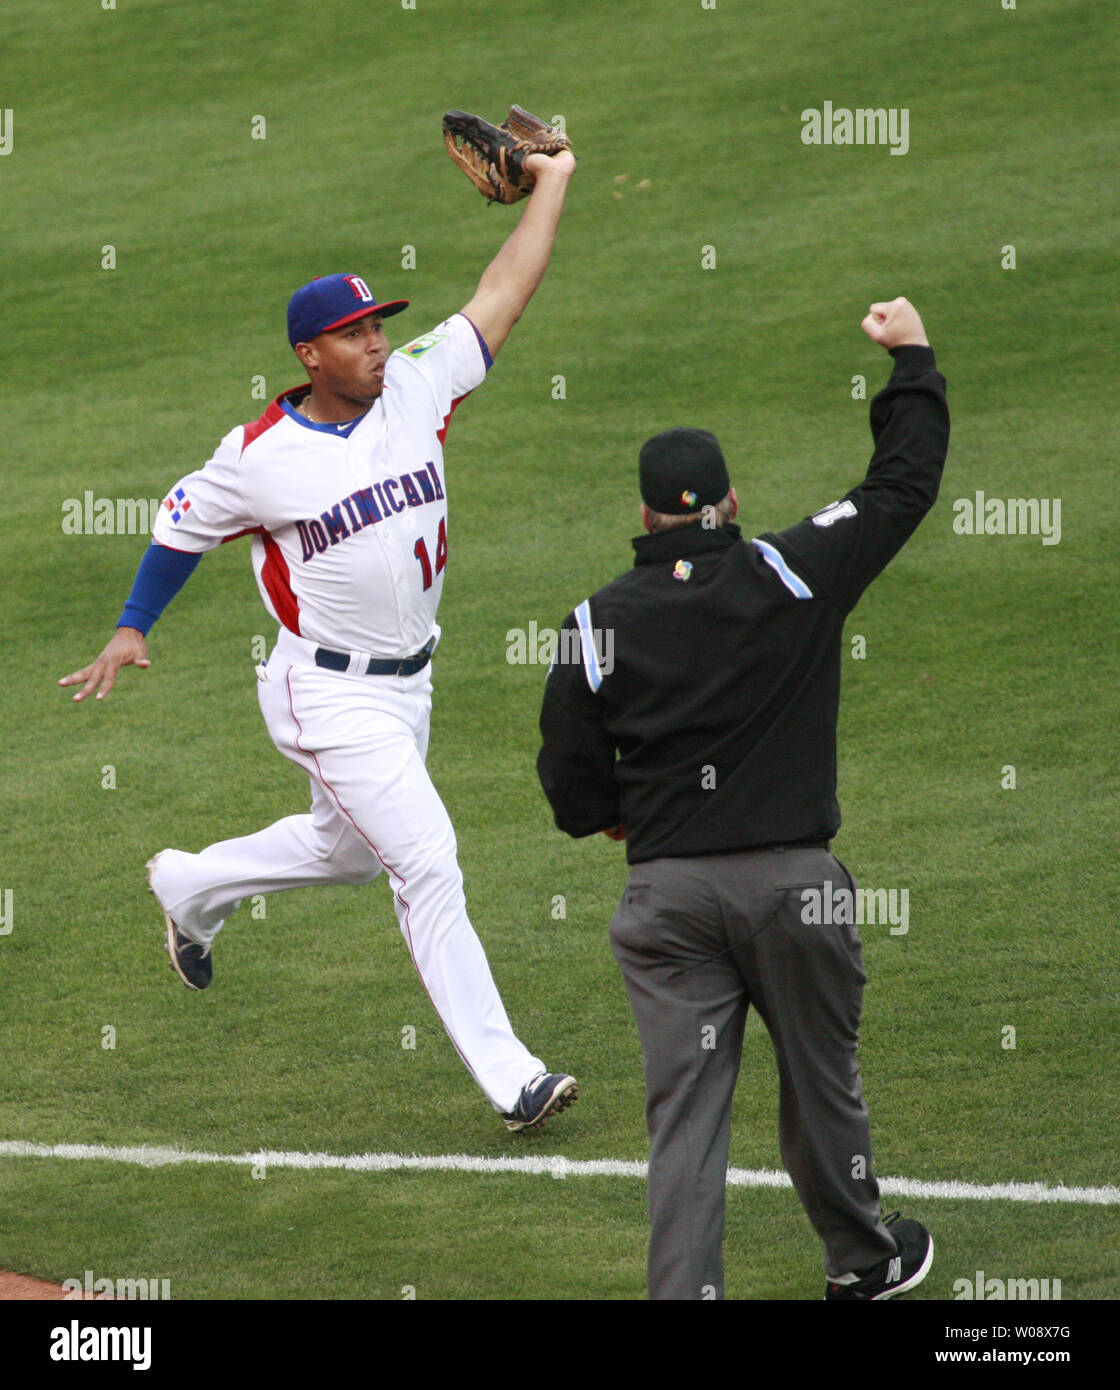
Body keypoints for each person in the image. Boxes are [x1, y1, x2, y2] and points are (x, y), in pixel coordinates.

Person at [60, 147, 579, 1135]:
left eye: (380, 324)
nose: (378, 343)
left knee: (347, 854)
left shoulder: (421, 388)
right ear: (309, 355)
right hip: (326, 694)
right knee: (425, 856)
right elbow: (178, 525)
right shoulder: (258, 459)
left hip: (409, 688)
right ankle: (513, 1075)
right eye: (354, 334)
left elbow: (504, 289)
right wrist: (132, 627)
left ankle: (189, 882)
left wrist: (552, 182)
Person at [537, 297, 950, 1296]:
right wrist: (910, 362)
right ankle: (862, 1258)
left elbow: (567, 776)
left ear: (644, 517)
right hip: (795, 893)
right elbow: (900, 484)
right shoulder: (792, 570)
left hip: (667, 903)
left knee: (685, 1117)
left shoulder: (595, 623)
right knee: (820, 1084)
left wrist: (624, 821)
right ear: (730, 500)